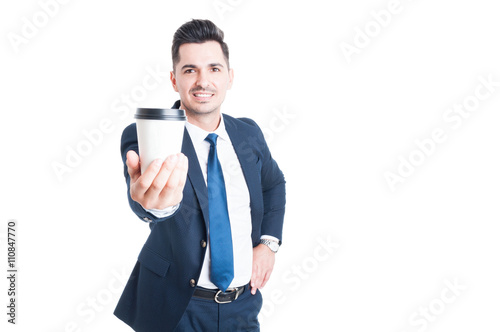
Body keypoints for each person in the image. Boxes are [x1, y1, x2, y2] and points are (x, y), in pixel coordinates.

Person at [114, 19, 286, 332]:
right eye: (190, 69)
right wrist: (156, 205)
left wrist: (268, 244)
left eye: (214, 69)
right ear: (173, 79)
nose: (202, 81)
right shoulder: (148, 134)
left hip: (242, 307)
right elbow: (146, 201)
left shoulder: (248, 134)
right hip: (175, 309)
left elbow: (273, 184)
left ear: (230, 77)